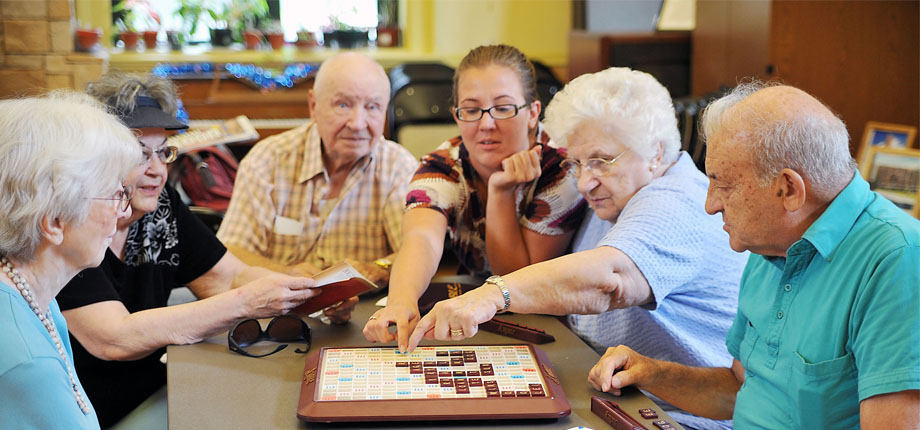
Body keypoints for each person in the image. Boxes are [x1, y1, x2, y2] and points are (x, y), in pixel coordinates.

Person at [395, 67, 747, 429]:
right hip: (612, 393)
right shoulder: (619, 193)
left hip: (677, 417)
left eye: (601, 162)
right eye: (577, 163)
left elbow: (609, 279)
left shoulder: (674, 201)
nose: (584, 183)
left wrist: (491, 295)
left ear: (655, 153)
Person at [587, 83, 920, 428]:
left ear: (788, 190)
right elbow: (739, 388)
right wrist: (649, 372)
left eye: (724, 186)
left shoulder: (898, 260)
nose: (711, 204)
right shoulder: (773, 242)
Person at [56, 72, 323, 428]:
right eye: (139, 154)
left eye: (163, 152)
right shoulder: (71, 225)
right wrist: (246, 302)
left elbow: (228, 277)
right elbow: (114, 338)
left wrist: (310, 291)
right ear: (98, 156)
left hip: (160, 391)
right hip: (89, 414)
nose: (157, 171)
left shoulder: (161, 206)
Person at [363, 45, 586, 350]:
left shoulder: (562, 167)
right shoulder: (442, 165)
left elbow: (518, 283)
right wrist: (401, 302)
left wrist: (500, 193)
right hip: (478, 313)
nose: (486, 124)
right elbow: (421, 237)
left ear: (533, 113)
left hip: (554, 324)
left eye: (503, 108)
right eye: (471, 110)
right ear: (456, 115)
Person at [217, 52, 419, 285]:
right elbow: (231, 252)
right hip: (276, 301)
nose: (357, 123)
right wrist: (284, 273)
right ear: (313, 106)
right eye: (343, 105)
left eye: (372, 107)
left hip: (366, 306)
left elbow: (417, 250)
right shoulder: (268, 160)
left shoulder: (398, 167)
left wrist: (377, 268)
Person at [0, 91, 139, 429]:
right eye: (115, 195)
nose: (124, 212)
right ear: (54, 221)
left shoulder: (36, 299)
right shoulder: (28, 364)